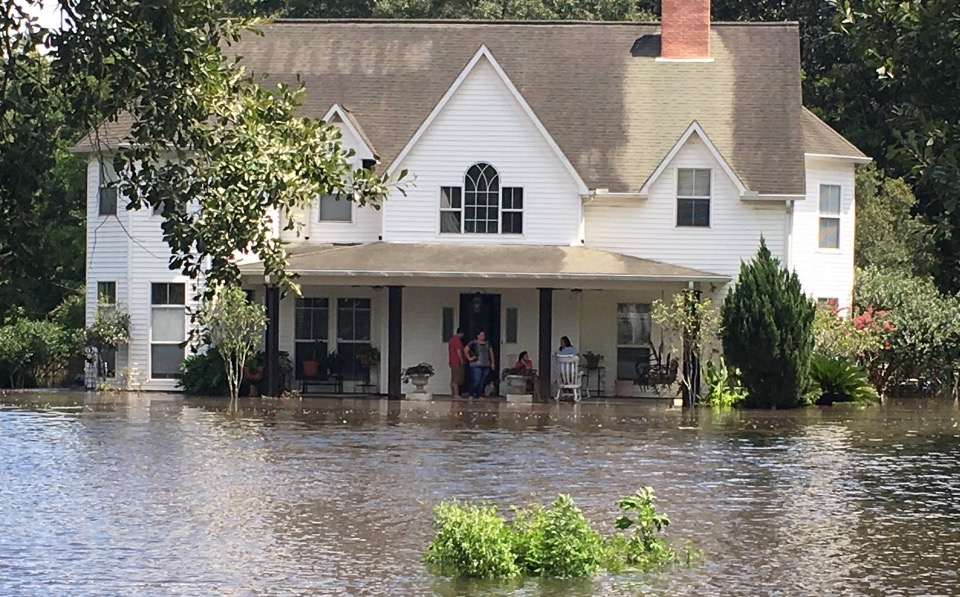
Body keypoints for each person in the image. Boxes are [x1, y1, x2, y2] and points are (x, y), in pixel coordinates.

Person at [464, 330, 495, 399]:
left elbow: (491, 353)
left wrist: (492, 363)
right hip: (476, 364)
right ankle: (471, 394)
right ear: (477, 336)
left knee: (482, 381)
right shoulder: (473, 343)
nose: (483, 337)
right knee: (476, 380)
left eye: (483, 335)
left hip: (485, 364)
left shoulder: (487, 343)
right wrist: (469, 358)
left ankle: (479, 394)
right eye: (481, 335)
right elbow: (465, 350)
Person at [448, 327, 466, 398]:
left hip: (452, 361)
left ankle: (453, 393)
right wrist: (461, 360)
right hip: (456, 362)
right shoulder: (457, 340)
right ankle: (456, 394)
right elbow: (459, 351)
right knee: (457, 379)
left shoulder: (452, 339)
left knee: (453, 378)